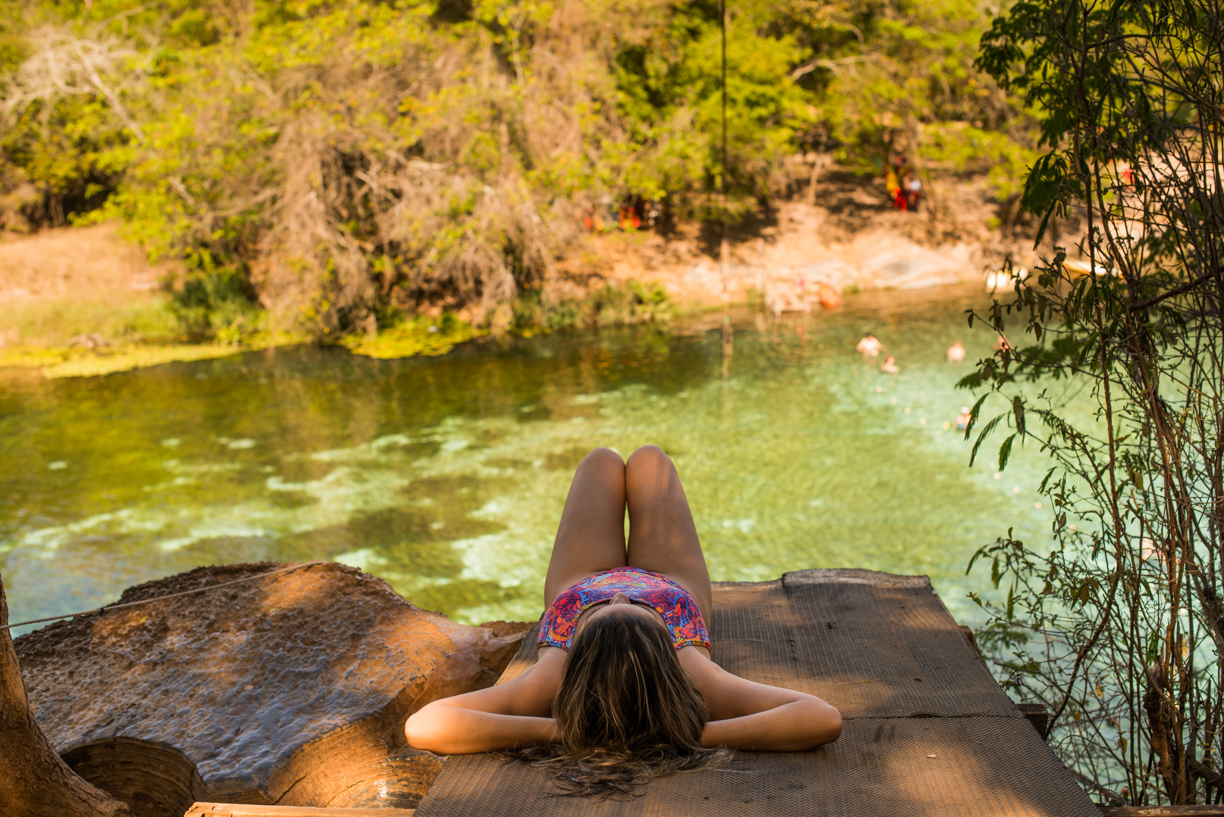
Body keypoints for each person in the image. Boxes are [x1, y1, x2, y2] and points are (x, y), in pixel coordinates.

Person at [405, 446, 842, 796]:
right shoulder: (695, 674)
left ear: (579, 656)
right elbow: (820, 718)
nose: (619, 592)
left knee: (602, 461)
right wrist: (679, 735)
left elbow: (424, 726)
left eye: (607, 607)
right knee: (651, 460)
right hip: (673, 587)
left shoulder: (550, 677)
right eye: (635, 608)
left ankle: (604, 605)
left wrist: (566, 733)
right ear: (666, 651)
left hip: (578, 585)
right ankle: (642, 606)